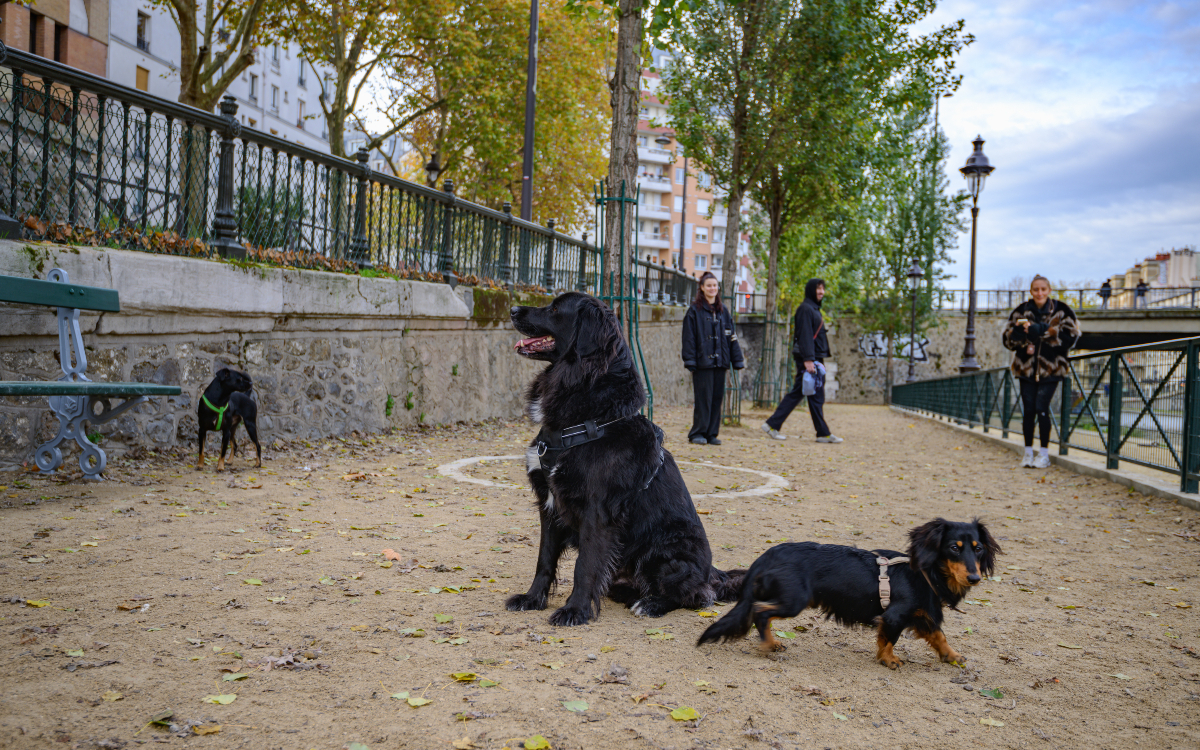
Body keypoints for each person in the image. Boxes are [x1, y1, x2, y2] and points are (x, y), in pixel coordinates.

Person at [1002, 275, 1081, 469]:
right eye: (1036, 289)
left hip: (1051, 368)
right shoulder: (1021, 311)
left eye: (1043, 289)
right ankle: (1028, 453)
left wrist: (1044, 331)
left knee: (1041, 408)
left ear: (1049, 290)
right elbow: (1008, 341)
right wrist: (1020, 333)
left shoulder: (1062, 310)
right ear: (1031, 291)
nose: (1039, 293)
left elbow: (1070, 338)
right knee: (1028, 410)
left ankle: (1044, 454)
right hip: (1025, 368)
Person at [761, 278, 842, 443]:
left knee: (812, 395)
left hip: (814, 358)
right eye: (818, 289)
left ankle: (822, 432)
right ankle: (772, 425)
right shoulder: (806, 309)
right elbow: (805, 335)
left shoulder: (813, 308)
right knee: (803, 393)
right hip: (810, 359)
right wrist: (808, 360)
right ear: (811, 290)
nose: (821, 292)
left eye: (823, 289)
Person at [682, 272, 744, 445]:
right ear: (702, 287)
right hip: (703, 363)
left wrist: (736, 359)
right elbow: (688, 338)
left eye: (715, 285)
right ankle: (697, 433)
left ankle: (711, 433)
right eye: (709, 285)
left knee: (717, 399)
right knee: (703, 399)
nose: (712, 288)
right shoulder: (694, 311)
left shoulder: (723, 311)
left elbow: (732, 336)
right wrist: (690, 360)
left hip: (720, 362)